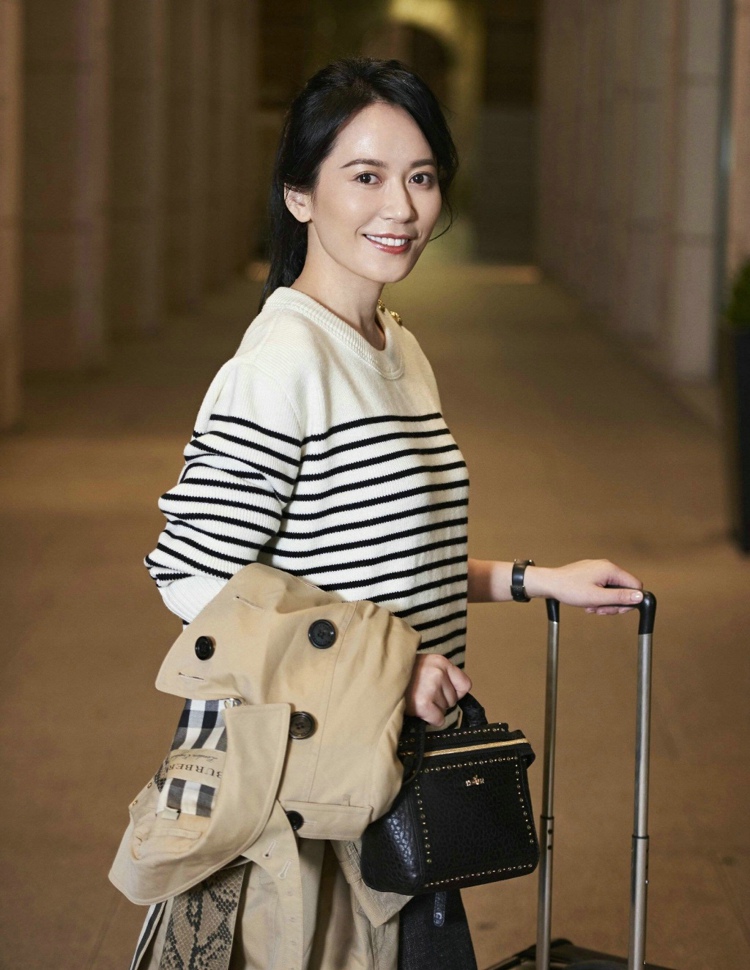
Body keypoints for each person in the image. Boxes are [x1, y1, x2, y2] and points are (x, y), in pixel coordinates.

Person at [131, 58, 643, 970]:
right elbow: (190, 576)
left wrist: (533, 580)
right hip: (309, 790)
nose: (401, 208)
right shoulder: (281, 362)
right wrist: (388, 668)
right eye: (365, 176)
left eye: (421, 176)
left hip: (394, 765)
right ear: (299, 195)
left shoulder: (392, 345)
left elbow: (380, 552)